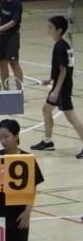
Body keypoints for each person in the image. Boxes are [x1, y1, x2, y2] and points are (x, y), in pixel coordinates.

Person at [30, 16, 83, 158]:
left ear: (59, 30)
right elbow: (64, 68)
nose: (48, 30)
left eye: (51, 28)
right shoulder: (63, 45)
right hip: (59, 85)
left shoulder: (60, 47)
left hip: (62, 88)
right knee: (46, 110)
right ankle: (47, 141)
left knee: (71, 117)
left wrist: (56, 90)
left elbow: (64, 70)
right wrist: (51, 80)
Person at [0, 119, 44, 241]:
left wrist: (27, 212)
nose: (3, 141)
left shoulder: (27, 159)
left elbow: (32, 187)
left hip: (18, 214)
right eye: (0, 137)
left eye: (6, 137)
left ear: (16, 136)